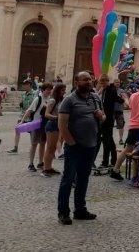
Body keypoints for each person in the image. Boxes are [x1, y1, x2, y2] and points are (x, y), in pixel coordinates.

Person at [57, 72, 105, 225]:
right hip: (75, 146)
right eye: (85, 79)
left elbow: (104, 117)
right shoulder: (69, 100)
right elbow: (62, 125)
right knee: (68, 178)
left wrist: (101, 116)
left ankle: (80, 210)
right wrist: (71, 143)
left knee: (83, 179)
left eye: (90, 79)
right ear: (76, 81)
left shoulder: (95, 98)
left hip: (91, 145)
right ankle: (63, 212)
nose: (89, 82)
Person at [109, 77, 139, 181]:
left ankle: (116, 169)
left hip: (133, 126)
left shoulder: (134, 95)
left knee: (128, 149)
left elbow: (129, 106)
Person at [24, 82, 52, 172]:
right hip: (36, 124)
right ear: (42, 90)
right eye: (47, 89)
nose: (49, 91)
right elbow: (29, 111)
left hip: (44, 124)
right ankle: (31, 164)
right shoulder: (38, 99)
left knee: (43, 143)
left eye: (50, 89)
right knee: (34, 144)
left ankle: (40, 162)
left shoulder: (50, 100)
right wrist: (22, 121)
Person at [97, 76, 123, 169]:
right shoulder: (105, 90)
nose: (102, 84)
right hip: (104, 117)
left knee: (106, 140)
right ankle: (113, 160)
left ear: (107, 81)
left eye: (103, 83)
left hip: (108, 118)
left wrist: (123, 99)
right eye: (101, 83)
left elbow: (116, 99)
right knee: (109, 139)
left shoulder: (111, 90)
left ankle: (105, 162)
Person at [41, 83, 65, 177]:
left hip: (58, 125)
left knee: (54, 148)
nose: (64, 92)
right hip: (52, 125)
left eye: (64, 90)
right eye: (62, 90)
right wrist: (57, 117)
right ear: (58, 91)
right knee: (50, 148)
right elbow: (46, 114)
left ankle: (49, 167)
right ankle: (45, 169)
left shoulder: (61, 100)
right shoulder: (52, 100)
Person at [8, 80, 36, 154]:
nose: (23, 86)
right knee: (17, 129)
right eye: (23, 85)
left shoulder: (34, 93)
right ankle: (15, 148)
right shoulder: (24, 94)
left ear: (29, 85)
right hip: (22, 115)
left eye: (25, 85)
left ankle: (32, 148)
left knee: (32, 133)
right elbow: (23, 103)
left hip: (31, 115)